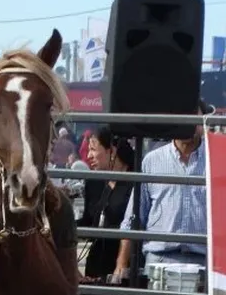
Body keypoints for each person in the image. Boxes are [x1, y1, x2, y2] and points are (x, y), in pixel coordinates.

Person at [113, 100, 213, 280]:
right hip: (159, 262)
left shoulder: (217, 160)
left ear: (203, 120)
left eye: (194, 115)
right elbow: (133, 218)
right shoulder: (152, 161)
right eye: (183, 116)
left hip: (204, 261)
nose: (188, 122)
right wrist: (120, 265)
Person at [78, 126, 134, 281]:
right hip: (95, 267)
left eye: (94, 149)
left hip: (124, 267)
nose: (88, 155)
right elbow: (88, 221)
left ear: (112, 151)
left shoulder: (136, 180)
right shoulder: (94, 183)